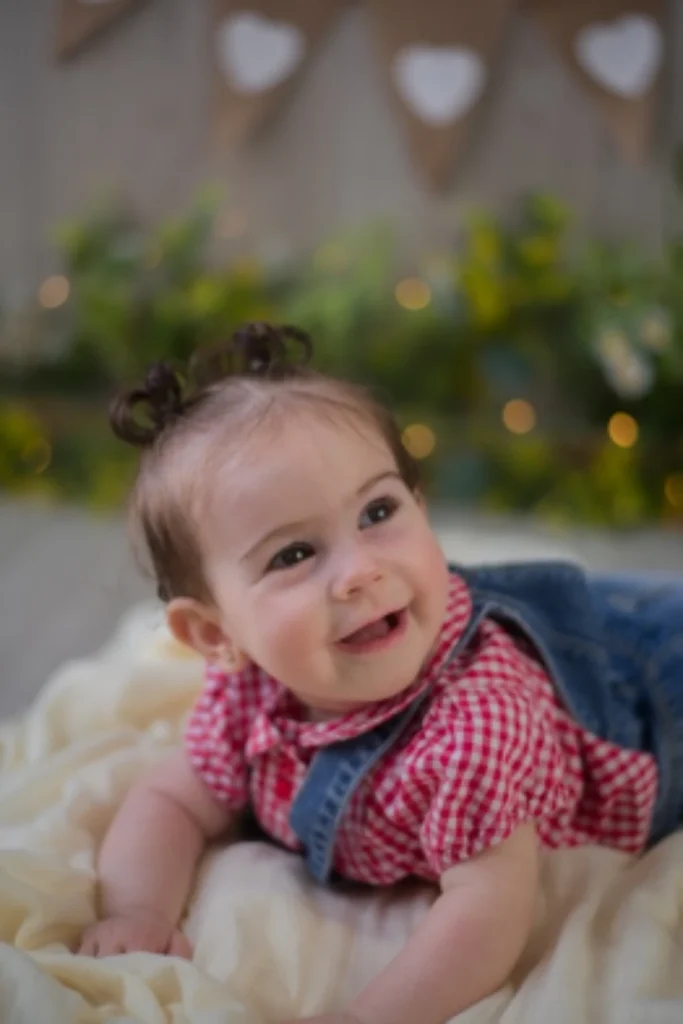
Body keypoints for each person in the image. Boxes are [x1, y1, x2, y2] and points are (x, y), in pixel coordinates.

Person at [78, 322, 683, 1024]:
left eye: (377, 511)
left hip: (652, 700)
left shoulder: (475, 723)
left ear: (418, 506)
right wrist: (136, 912)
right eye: (293, 555)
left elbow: (489, 909)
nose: (360, 569)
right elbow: (171, 800)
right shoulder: (248, 693)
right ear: (216, 635)